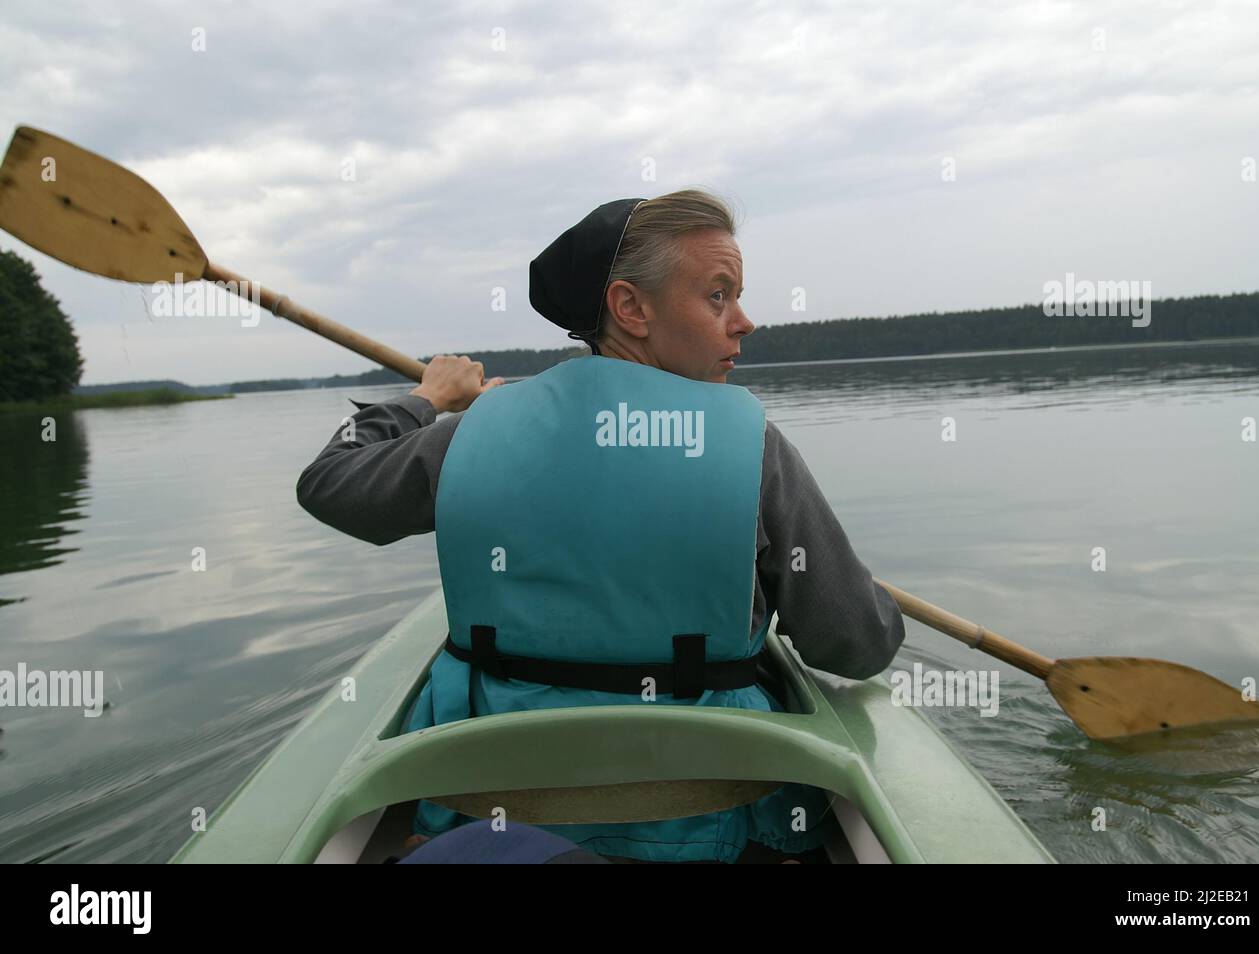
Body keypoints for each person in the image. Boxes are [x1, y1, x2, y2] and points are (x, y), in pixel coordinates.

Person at [296, 189, 906, 864]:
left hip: (492, 806)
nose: (744, 321)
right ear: (630, 308)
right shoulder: (750, 444)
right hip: (707, 820)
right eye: (718, 295)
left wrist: (424, 401)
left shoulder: (473, 436)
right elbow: (855, 644)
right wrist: (866, 599)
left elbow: (330, 484)